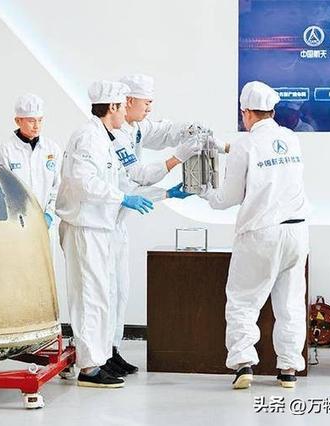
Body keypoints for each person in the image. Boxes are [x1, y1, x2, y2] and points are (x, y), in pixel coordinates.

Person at [200, 81, 309, 389]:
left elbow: (228, 197)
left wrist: (203, 191)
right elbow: (266, 159)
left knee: (243, 300)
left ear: (245, 112)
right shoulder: (290, 138)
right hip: (297, 232)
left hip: (261, 233)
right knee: (290, 303)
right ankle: (288, 368)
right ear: (272, 111)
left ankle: (244, 364)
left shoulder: (245, 145)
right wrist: (228, 148)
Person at [56, 80, 154, 388]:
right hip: (85, 227)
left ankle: (97, 360)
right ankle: (88, 368)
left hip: (99, 227)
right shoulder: (89, 137)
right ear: (112, 107)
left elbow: (119, 179)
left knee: (100, 296)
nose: (127, 111)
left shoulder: (105, 137)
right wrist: (122, 198)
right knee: (89, 296)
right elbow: (83, 182)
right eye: (123, 106)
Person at [105, 74, 205, 376]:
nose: (149, 108)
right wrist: (176, 161)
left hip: (116, 223)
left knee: (120, 291)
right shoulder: (113, 135)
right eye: (146, 102)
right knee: (103, 294)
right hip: (99, 225)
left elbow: (163, 131)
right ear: (128, 101)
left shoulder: (134, 128)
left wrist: (189, 129)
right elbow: (138, 178)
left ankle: (112, 350)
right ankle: (98, 356)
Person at [0, 94, 61, 229]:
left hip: (47, 224)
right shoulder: (6, 151)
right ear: (18, 121)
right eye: (31, 121)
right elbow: (3, 191)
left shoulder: (52, 149)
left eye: (40, 120)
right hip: (18, 223)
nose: (37, 126)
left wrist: (49, 214)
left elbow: (58, 187)